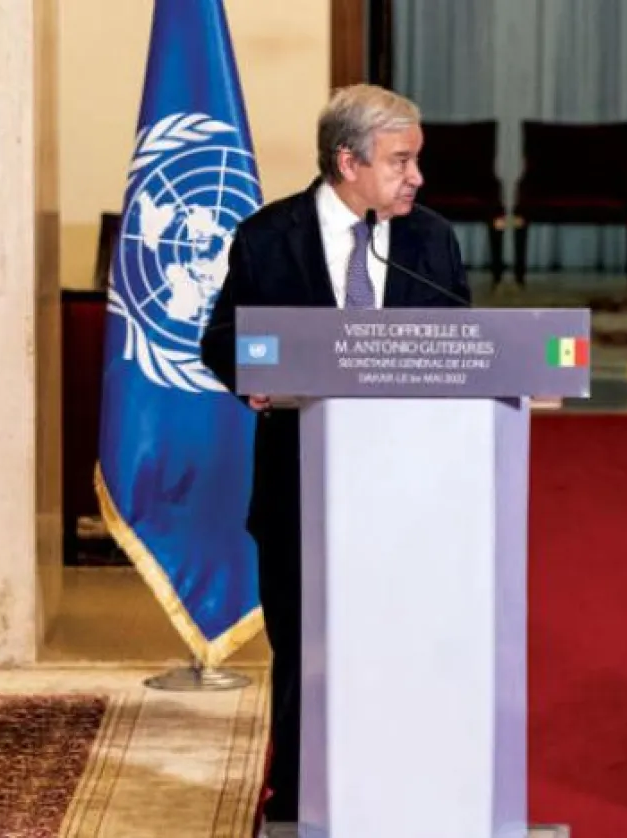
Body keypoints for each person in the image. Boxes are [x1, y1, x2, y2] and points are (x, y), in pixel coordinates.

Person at [200, 84, 471, 835]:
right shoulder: (266, 237)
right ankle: (299, 799)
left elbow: (468, 344)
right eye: (401, 161)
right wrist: (256, 376)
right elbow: (222, 338)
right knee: (308, 650)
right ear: (348, 162)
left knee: (409, 644)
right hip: (300, 485)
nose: (416, 177)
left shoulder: (432, 240)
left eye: (416, 160)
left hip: (412, 486)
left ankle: (409, 787)